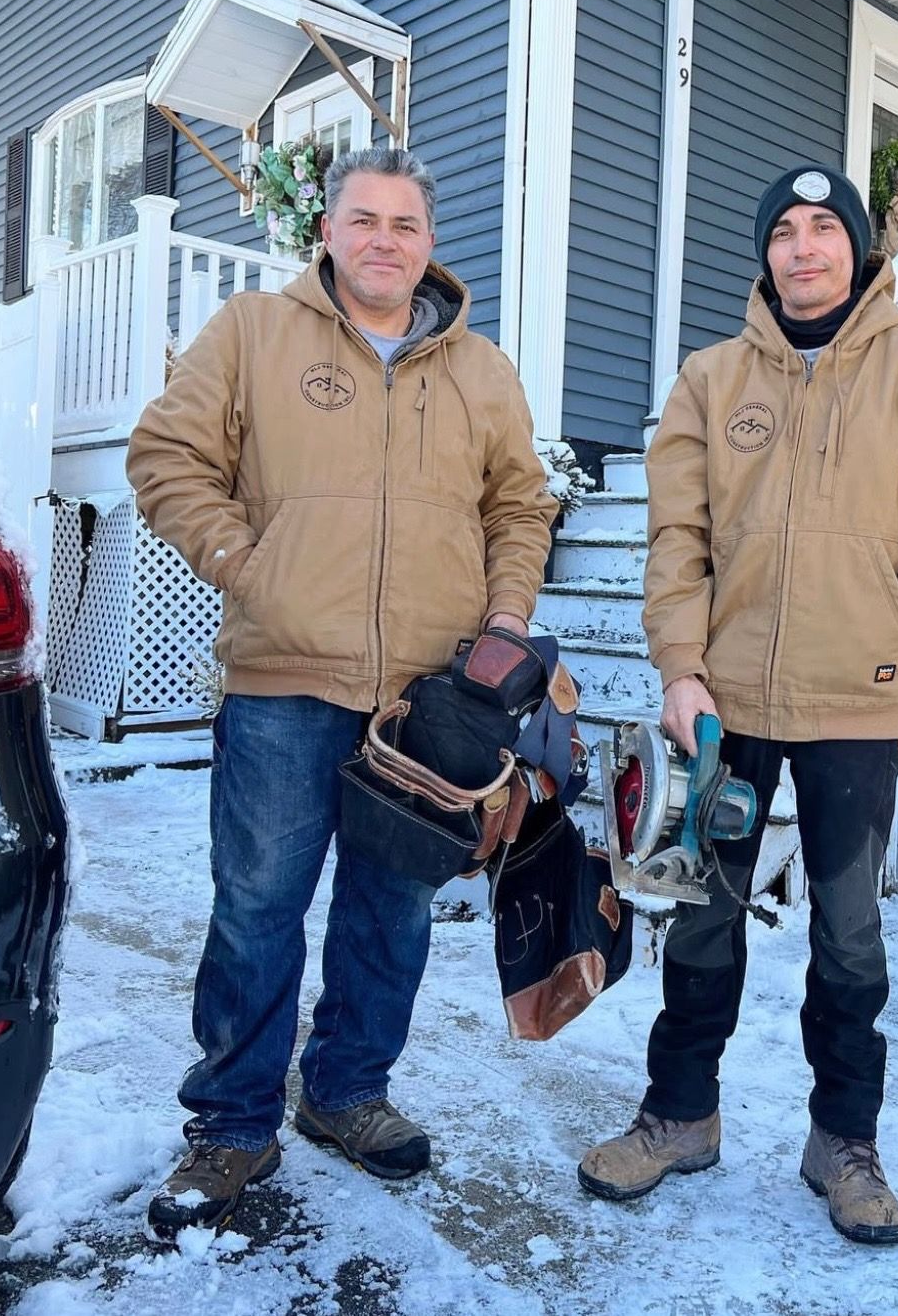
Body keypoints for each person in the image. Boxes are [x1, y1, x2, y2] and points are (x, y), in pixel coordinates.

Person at [578, 165, 898, 1245]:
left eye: (827, 228)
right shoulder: (711, 379)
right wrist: (680, 662)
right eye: (785, 229)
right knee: (697, 909)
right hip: (725, 703)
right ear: (766, 253)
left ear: (860, 249)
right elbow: (676, 537)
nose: (804, 246)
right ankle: (680, 1112)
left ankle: (844, 1138)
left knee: (851, 934)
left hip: (860, 701)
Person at [127, 147, 556, 1239]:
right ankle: (230, 1121)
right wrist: (250, 563)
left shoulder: (481, 372)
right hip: (283, 682)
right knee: (259, 905)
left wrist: (506, 618)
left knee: (392, 905)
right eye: (362, 219)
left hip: (426, 704)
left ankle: (346, 1090)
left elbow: (520, 504)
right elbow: (167, 456)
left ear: (429, 244)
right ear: (326, 231)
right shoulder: (254, 337)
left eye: (404, 224)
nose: (382, 240)